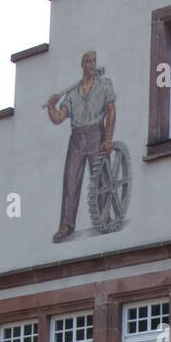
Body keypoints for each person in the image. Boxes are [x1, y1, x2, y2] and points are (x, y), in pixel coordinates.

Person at [47, 51, 116, 243]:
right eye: (87, 62)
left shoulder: (104, 85)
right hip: (77, 137)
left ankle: (104, 217)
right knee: (71, 180)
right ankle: (66, 225)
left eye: (94, 61)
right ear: (82, 65)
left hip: (96, 133)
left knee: (101, 178)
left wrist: (108, 137)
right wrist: (52, 106)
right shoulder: (73, 93)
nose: (91, 65)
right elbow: (59, 118)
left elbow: (111, 110)